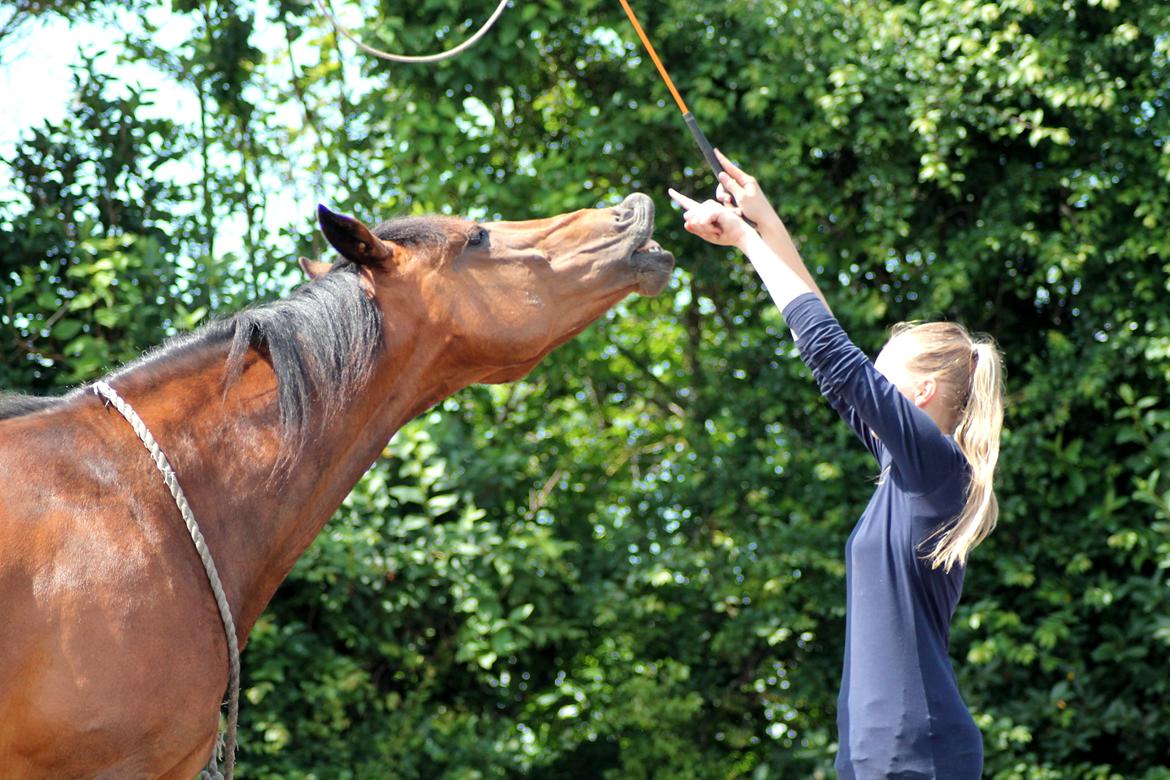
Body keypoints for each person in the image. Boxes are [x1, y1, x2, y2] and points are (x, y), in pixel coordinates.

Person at [668, 151, 1004, 779]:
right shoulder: (912, 472)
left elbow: (835, 355)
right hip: (881, 753)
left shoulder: (939, 467)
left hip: (915, 752)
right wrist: (767, 227)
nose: (869, 372)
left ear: (923, 390)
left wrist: (746, 240)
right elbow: (829, 360)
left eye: (885, 365)